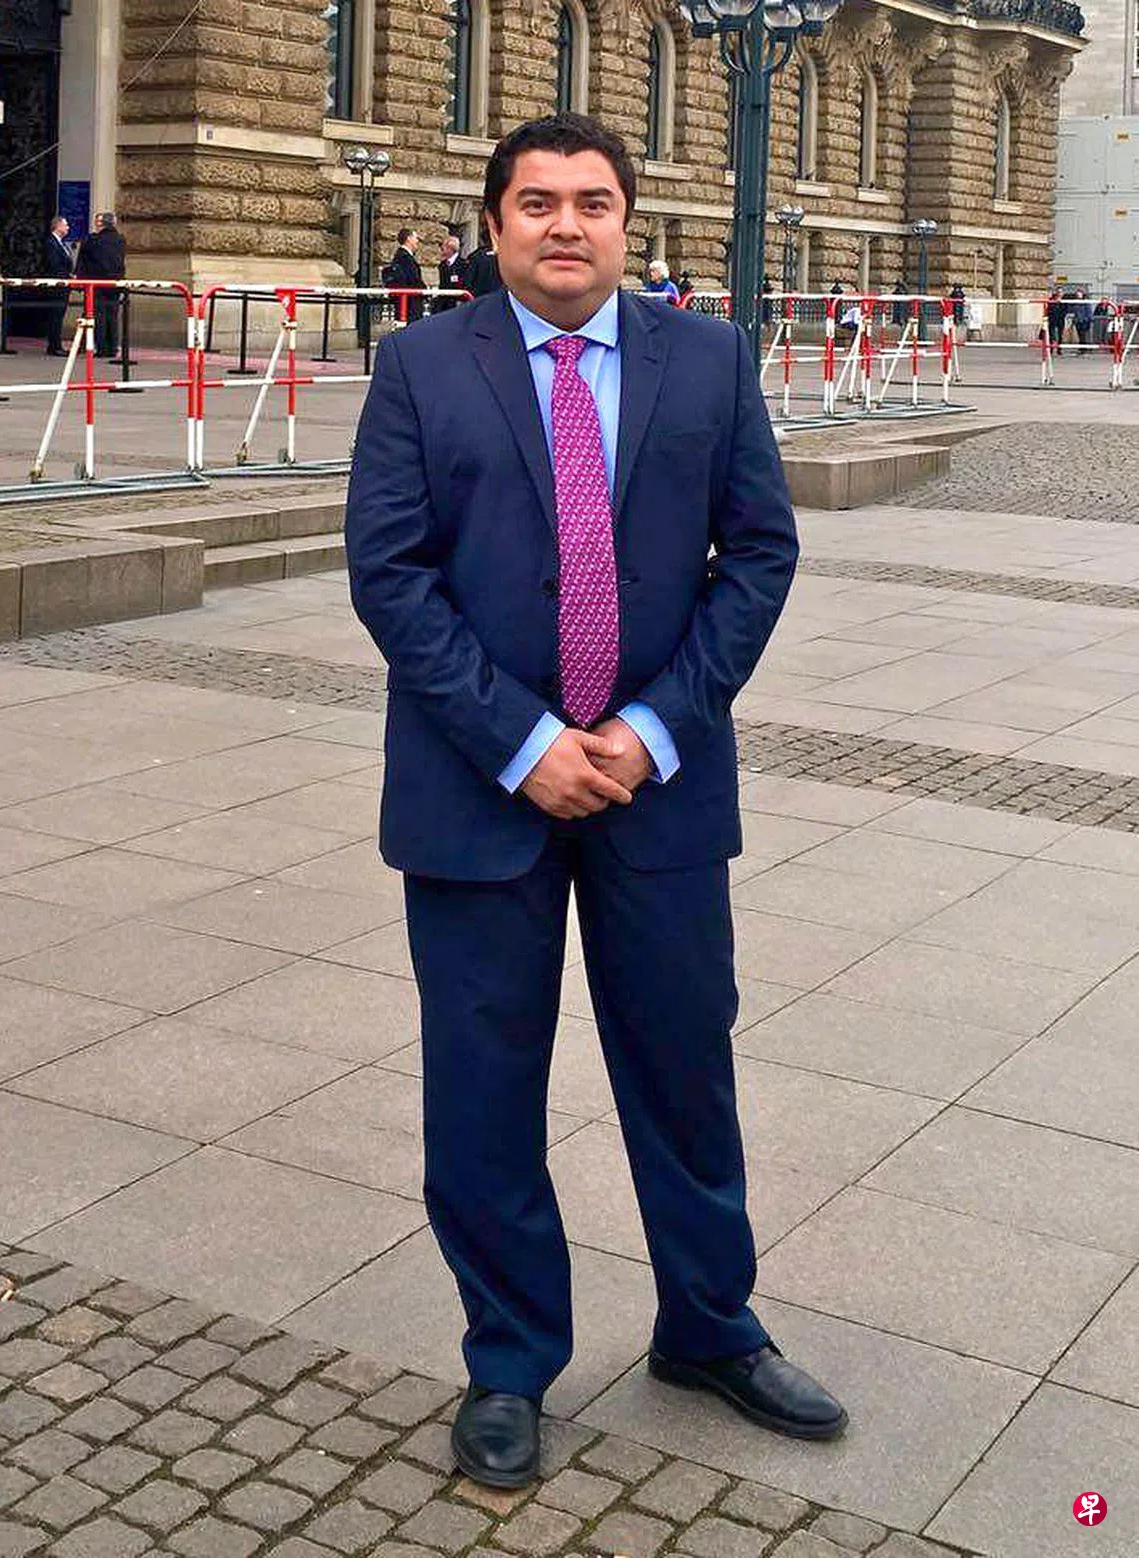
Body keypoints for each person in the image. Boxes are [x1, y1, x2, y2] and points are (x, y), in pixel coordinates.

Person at [345, 110, 846, 1492]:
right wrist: (522, 744)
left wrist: (647, 729)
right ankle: (510, 1357)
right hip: (477, 790)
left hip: (657, 792)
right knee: (483, 1085)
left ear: (630, 222)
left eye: (592, 201)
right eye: (537, 202)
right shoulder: (418, 366)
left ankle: (710, 1325)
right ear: (493, 223)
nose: (565, 224)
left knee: (684, 1066)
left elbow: (759, 553)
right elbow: (391, 572)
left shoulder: (711, 359)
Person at [75, 212, 126, 359]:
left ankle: (102, 347)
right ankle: (112, 347)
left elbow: (83, 261)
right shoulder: (120, 240)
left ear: (100, 224)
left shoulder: (93, 240)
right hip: (114, 284)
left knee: (98, 317)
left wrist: (80, 279)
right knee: (113, 316)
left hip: (96, 284)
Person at [41, 216, 73, 356]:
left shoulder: (61, 243)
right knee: (55, 316)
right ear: (58, 226)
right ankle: (54, 346)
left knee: (59, 315)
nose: (68, 228)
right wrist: (67, 276)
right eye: (65, 225)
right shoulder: (51, 243)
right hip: (57, 286)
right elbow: (53, 265)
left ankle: (55, 345)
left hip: (63, 284)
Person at [382, 227, 425, 322]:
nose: (417, 241)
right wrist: (425, 291)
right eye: (416, 238)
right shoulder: (404, 257)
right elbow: (413, 279)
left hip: (408, 302)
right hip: (410, 303)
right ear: (408, 238)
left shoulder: (402, 256)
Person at [462, 226, 502, 298]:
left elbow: (467, 280)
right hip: (500, 296)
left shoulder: (476, 256)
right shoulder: (504, 255)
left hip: (480, 297)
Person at [435, 233, 466, 312]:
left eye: (443, 248)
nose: (441, 250)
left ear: (450, 248)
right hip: (443, 303)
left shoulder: (463, 264)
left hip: (456, 302)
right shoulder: (442, 265)